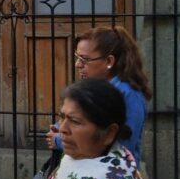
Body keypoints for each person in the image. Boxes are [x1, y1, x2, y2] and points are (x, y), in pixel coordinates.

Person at [9, 79, 160, 179]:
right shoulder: (74, 159)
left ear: (109, 133)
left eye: (74, 121)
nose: (63, 128)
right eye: (62, 117)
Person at [47, 26, 151, 164]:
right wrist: (58, 127)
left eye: (84, 59)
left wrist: (59, 140)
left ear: (109, 61)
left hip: (111, 172)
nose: (78, 64)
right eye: (77, 57)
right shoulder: (94, 88)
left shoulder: (128, 94)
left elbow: (122, 147)